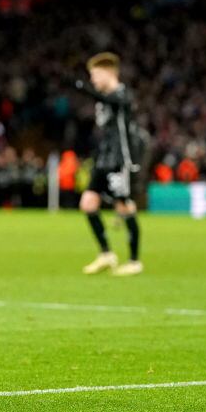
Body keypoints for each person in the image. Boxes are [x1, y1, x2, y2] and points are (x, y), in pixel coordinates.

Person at [75, 52, 144, 277]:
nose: (93, 79)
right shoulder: (103, 99)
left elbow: (116, 101)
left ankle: (134, 261)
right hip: (103, 158)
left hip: (119, 159)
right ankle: (106, 254)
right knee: (88, 203)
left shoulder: (122, 94)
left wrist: (86, 89)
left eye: (95, 75)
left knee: (124, 206)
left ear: (108, 73)